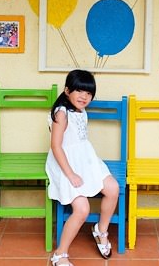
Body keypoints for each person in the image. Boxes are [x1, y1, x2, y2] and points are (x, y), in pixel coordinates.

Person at [46, 69, 119, 266]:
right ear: (67, 90)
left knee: (113, 189)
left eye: (88, 93)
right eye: (79, 91)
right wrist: (70, 174)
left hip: (86, 159)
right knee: (82, 209)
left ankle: (101, 230)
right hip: (64, 163)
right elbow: (56, 146)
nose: (84, 96)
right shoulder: (61, 113)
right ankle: (60, 254)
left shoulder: (80, 109)